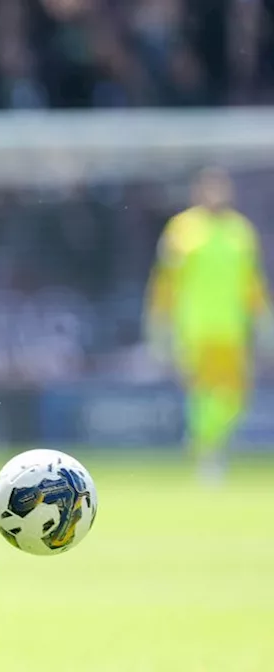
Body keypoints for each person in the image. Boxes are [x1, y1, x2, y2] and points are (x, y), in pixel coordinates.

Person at [145, 166, 273, 483]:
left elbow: (252, 283)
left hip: (232, 329)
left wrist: (264, 321)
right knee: (202, 393)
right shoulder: (182, 231)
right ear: (198, 191)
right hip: (195, 328)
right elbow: (165, 281)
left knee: (237, 397)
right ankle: (208, 454)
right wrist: (158, 322)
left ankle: (204, 440)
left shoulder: (240, 232)